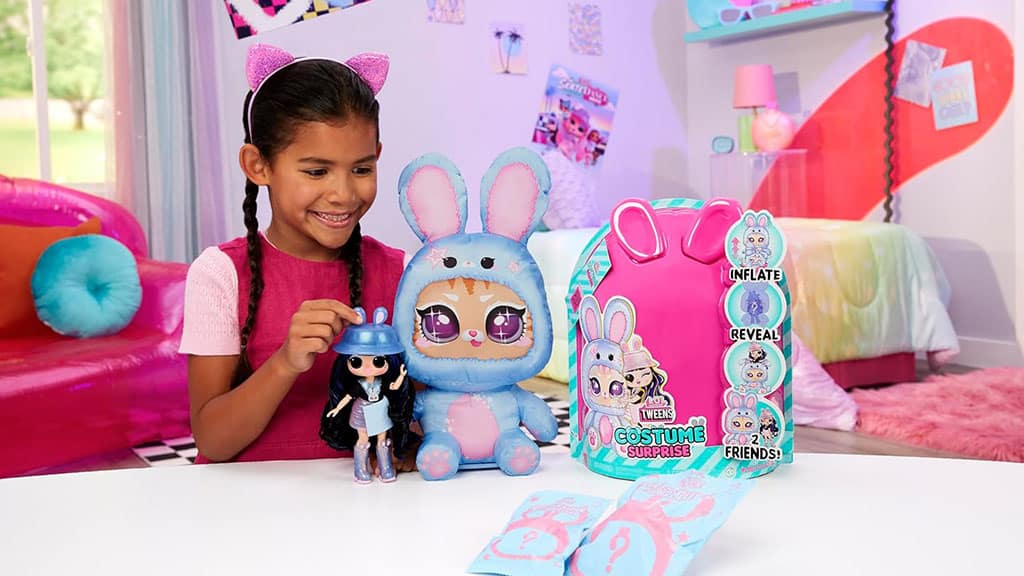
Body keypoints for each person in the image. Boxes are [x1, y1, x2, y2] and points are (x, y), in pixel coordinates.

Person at [179, 44, 416, 472]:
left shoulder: (401, 272)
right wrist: (285, 362)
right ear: (258, 165)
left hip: (364, 502)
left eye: (361, 169)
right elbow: (213, 440)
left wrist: (413, 442)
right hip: (246, 504)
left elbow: (420, 414)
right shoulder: (220, 274)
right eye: (316, 171)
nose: (343, 193)